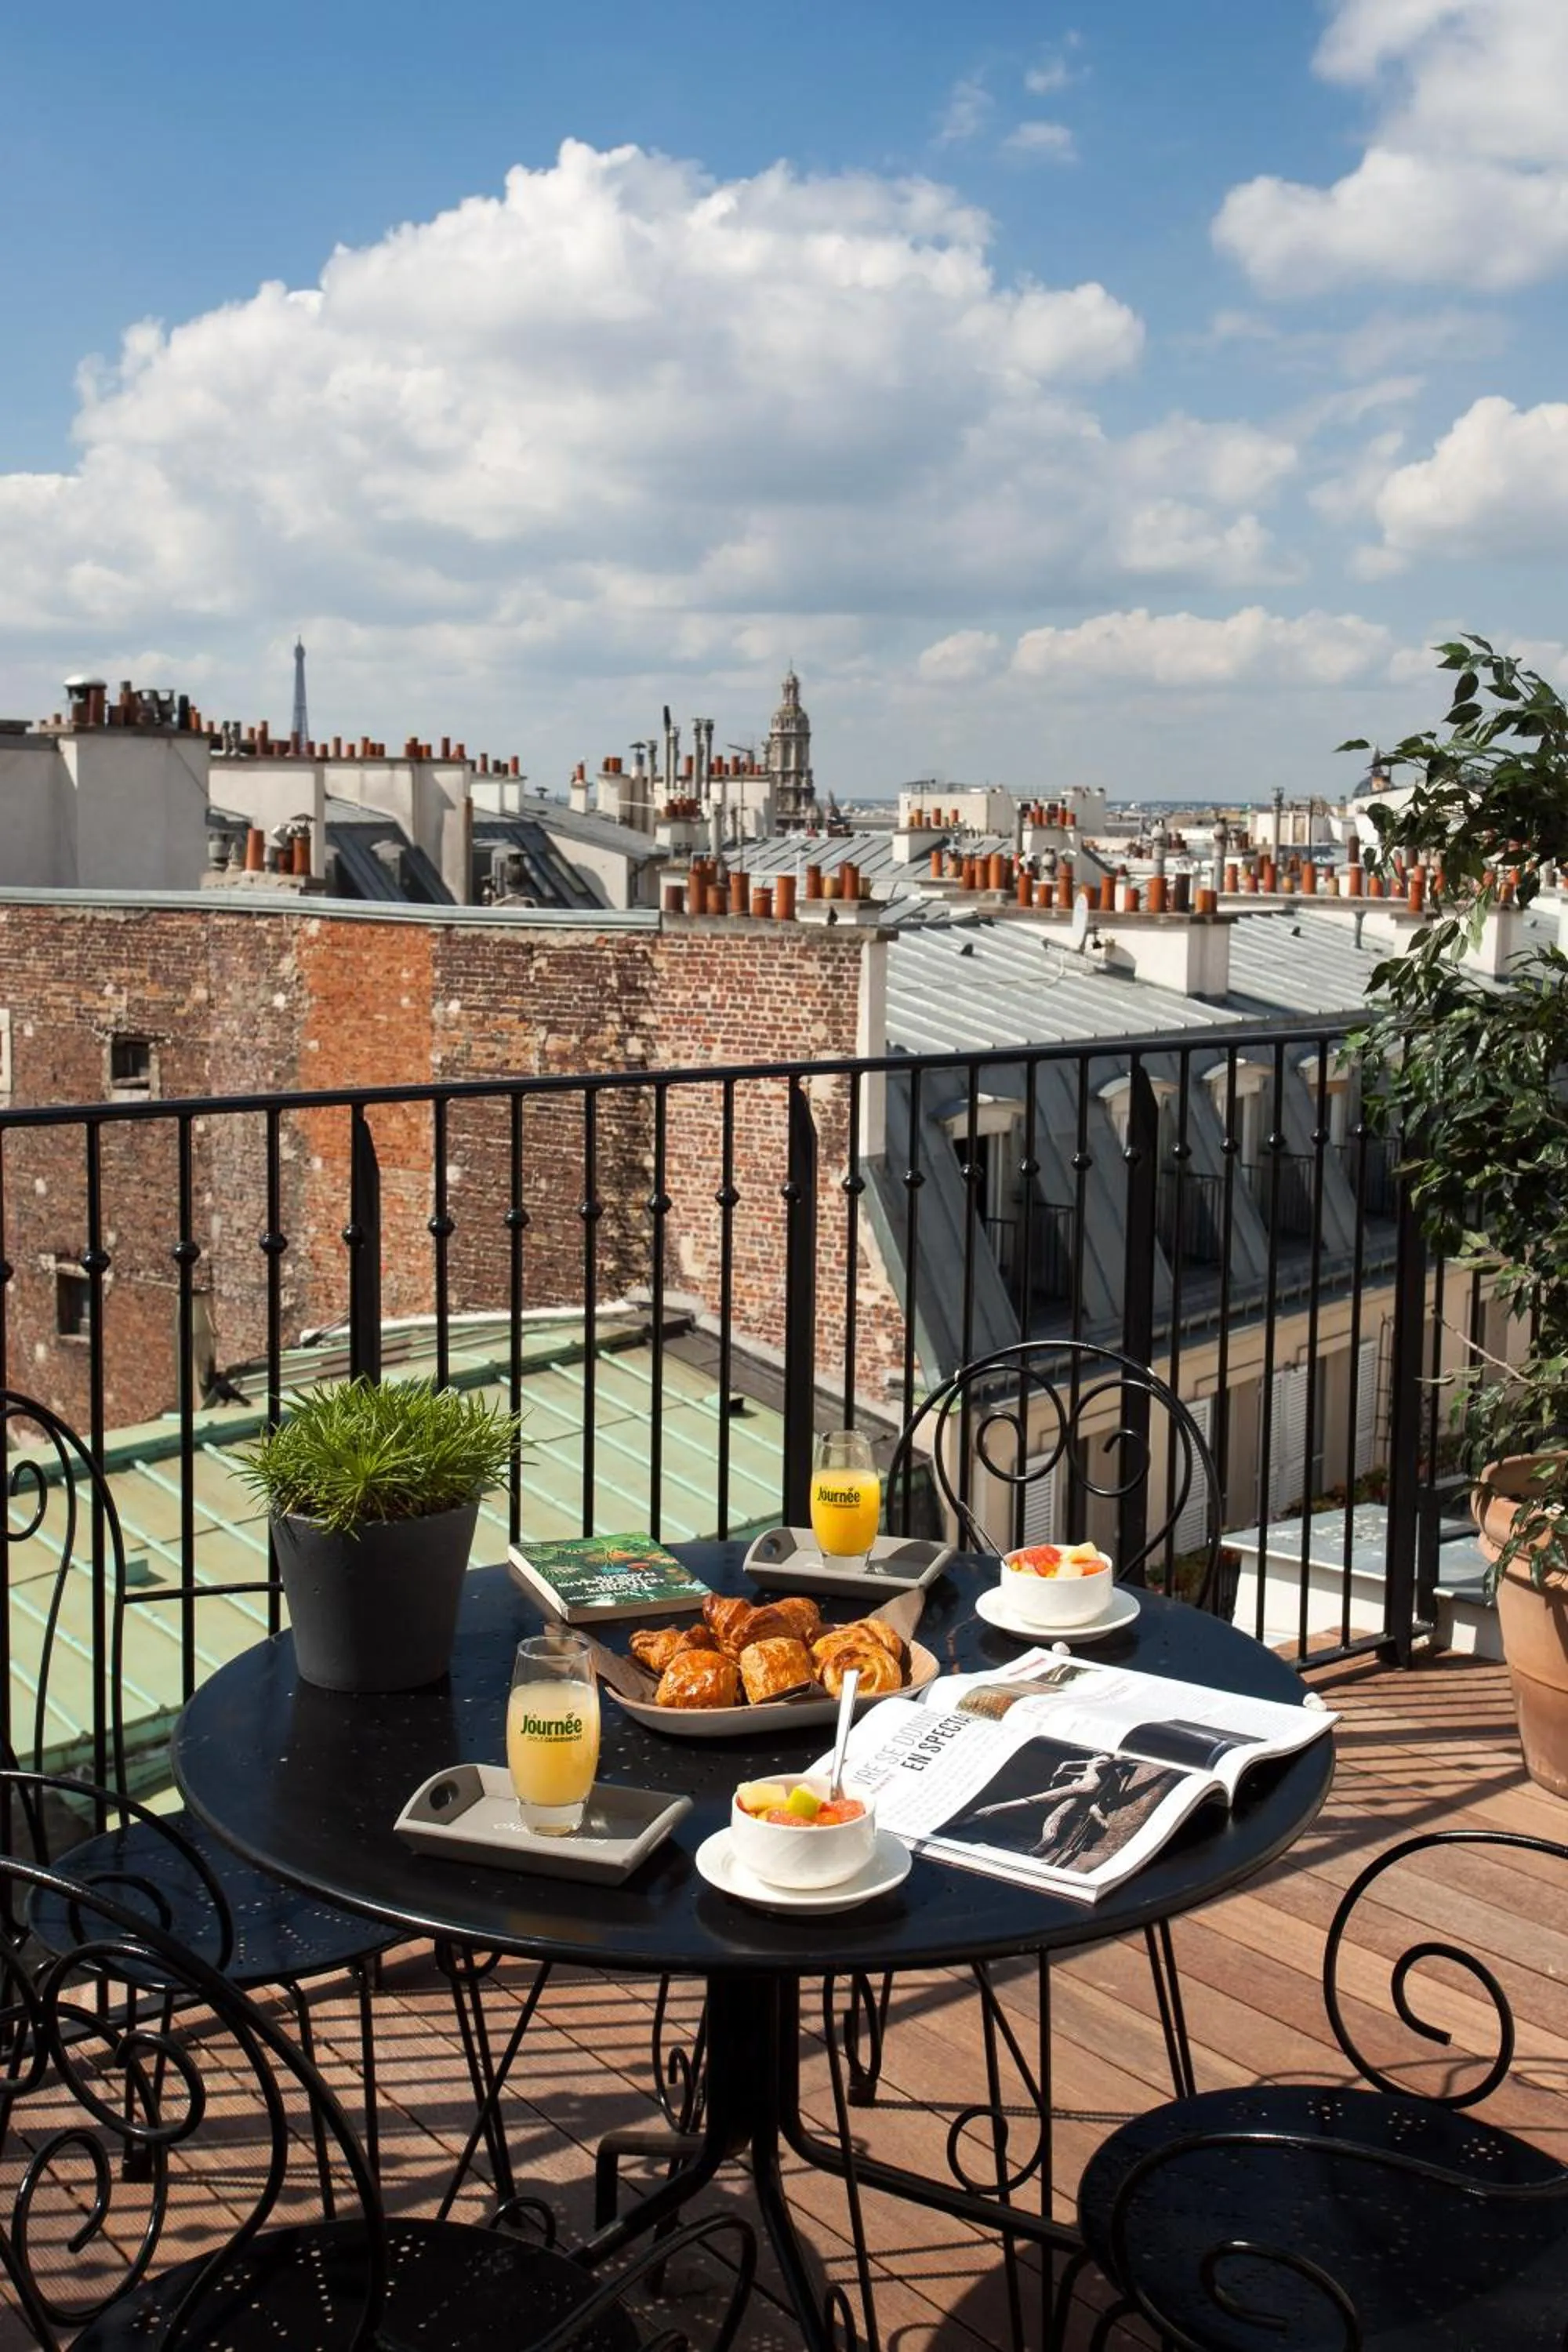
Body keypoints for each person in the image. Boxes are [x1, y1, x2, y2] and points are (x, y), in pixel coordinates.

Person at [970, 1752, 1119, 1860]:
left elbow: (1109, 1765)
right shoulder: (1091, 1764)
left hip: (1084, 1790)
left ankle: (982, 1814)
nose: (1100, 1761)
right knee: (1054, 1816)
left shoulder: (1103, 1763)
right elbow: (1070, 1765)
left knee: (1039, 1805)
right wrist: (1062, 1772)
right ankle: (1037, 1849)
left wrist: (1061, 1773)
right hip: (1081, 1794)